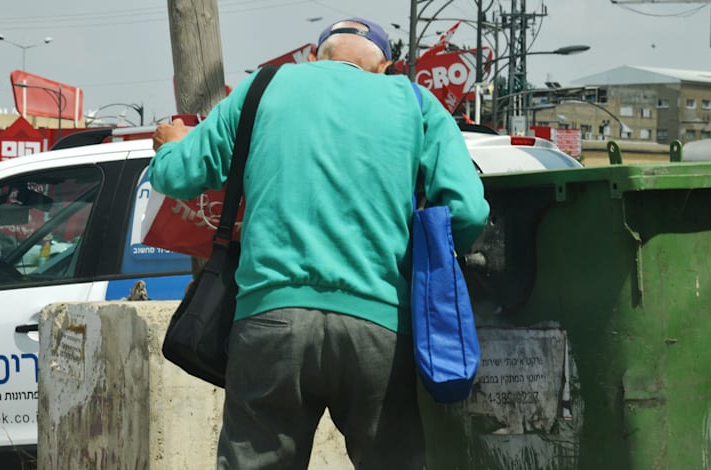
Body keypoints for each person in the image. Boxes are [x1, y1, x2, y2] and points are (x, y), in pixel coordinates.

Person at [150, 17, 489, 469]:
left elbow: (179, 175)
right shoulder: (415, 102)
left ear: (314, 56)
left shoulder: (263, 86)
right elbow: (468, 210)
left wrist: (172, 143)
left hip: (271, 324)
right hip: (379, 329)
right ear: (386, 66)